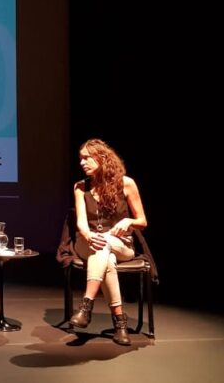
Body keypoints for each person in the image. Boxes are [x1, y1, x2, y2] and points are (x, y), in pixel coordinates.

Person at [69, 139, 149, 346]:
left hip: (122, 245)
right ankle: (120, 324)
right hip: (87, 243)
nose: (82, 163)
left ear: (102, 158)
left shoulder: (127, 183)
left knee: (104, 246)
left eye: (87, 158)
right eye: (80, 159)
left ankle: (86, 307)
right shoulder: (80, 187)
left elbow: (142, 221)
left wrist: (129, 221)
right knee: (106, 258)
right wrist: (88, 235)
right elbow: (81, 223)